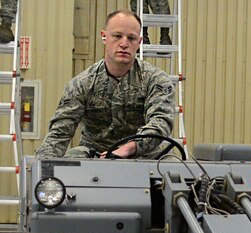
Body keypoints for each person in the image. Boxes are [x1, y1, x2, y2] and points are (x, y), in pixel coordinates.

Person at [36, 10, 175, 160]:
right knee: (73, 158)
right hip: (95, 157)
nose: (124, 44)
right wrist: (43, 166)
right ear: (104, 37)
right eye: (117, 36)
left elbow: (160, 123)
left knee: (173, 165)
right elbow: (61, 130)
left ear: (139, 43)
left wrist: (130, 148)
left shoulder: (156, 80)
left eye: (131, 38)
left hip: (143, 155)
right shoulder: (82, 83)